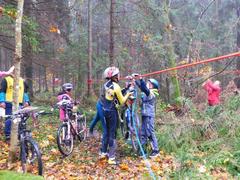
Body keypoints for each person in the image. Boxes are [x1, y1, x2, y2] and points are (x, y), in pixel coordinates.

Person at [100, 66, 131, 165]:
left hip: (104, 110)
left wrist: (125, 89)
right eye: (118, 75)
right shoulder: (116, 86)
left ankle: (103, 152)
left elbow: (113, 95)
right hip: (112, 112)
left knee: (107, 132)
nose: (119, 76)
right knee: (112, 133)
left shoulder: (106, 85)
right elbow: (121, 101)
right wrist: (128, 93)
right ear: (114, 76)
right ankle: (111, 158)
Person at [134, 74, 160, 158]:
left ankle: (155, 150)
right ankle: (143, 151)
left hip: (149, 115)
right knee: (143, 133)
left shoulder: (152, 93)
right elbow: (142, 88)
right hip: (145, 115)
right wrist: (135, 81)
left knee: (149, 132)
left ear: (153, 86)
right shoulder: (147, 92)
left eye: (149, 83)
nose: (147, 84)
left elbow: (145, 89)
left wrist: (141, 79)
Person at [0, 74, 30, 141]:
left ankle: (19, 134)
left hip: (19, 103)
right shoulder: (6, 79)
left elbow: (25, 92)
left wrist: (27, 101)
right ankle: (8, 136)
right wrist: (2, 101)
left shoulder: (22, 80)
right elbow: (2, 91)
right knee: (9, 119)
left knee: (19, 119)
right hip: (8, 103)